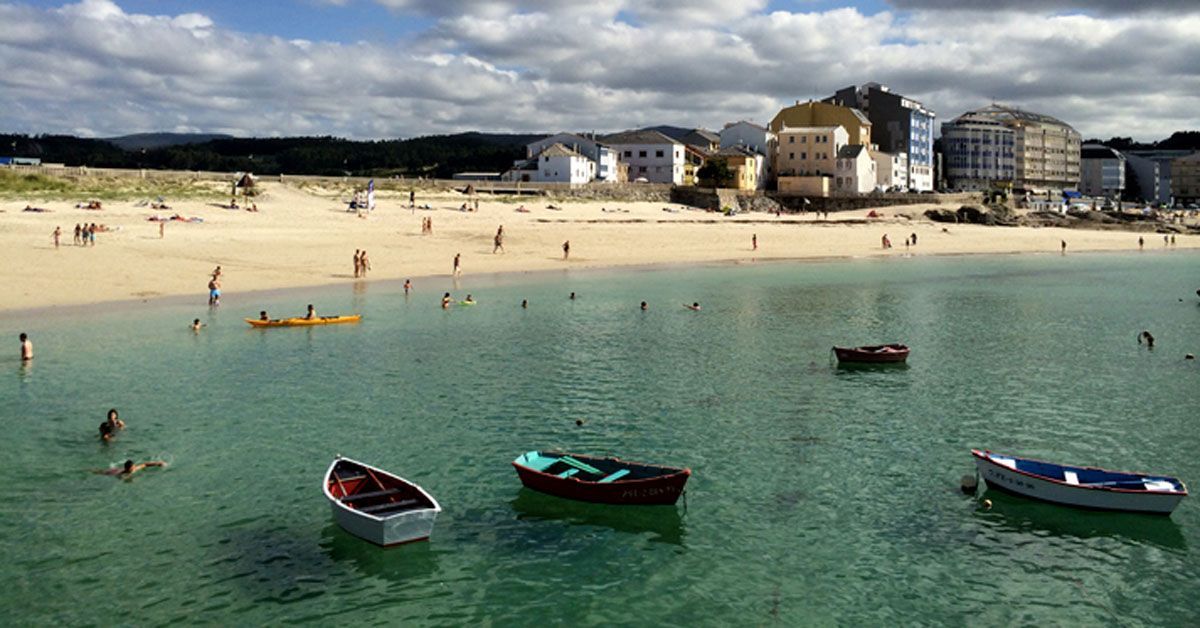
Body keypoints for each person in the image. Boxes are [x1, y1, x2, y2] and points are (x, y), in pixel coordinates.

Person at [95, 459, 167, 478]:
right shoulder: (123, 473)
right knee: (101, 472)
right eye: (130, 469)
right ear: (126, 468)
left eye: (132, 468)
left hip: (117, 470)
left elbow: (145, 464)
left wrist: (158, 463)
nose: (132, 470)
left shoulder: (135, 468)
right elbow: (122, 477)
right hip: (114, 472)